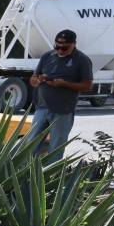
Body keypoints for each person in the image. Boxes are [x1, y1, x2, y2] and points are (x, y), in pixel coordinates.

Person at [27, 29, 92, 161]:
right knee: (31, 144)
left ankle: (51, 177)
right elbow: (33, 79)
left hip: (63, 110)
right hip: (42, 107)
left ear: (74, 44)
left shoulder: (82, 60)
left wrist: (64, 84)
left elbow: (87, 86)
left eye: (64, 47)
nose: (60, 50)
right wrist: (38, 80)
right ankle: (25, 175)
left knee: (56, 147)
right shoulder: (47, 56)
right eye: (57, 46)